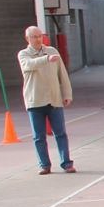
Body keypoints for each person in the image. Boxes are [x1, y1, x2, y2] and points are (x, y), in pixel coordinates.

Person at [17, 25, 74, 175]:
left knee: (60, 133)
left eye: (39, 36)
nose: (37, 39)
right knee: (38, 136)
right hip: (35, 101)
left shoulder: (52, 51)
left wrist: (67, 94)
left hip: (53, 99)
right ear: (27, 38)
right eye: (34, 37)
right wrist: (46, 59)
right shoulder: (24, 54)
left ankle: (67, 163)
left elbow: (62, 74)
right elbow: (29, 65)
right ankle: (44, 165)